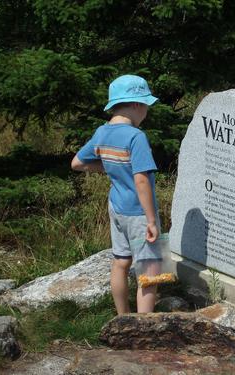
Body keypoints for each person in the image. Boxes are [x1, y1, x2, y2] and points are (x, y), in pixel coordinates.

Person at [71, 74, 161, 314]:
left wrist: (110, 166)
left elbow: (77, 163)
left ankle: (122, 317)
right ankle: (144, 326)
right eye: (146, 107)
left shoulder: (102, 132)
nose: (146, 113)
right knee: (149, 268)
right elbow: (141, 180)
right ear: (136, 105)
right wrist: (151, 220)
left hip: (116, 207)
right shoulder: (136, 137)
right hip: (138, 212)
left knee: (120, 262)